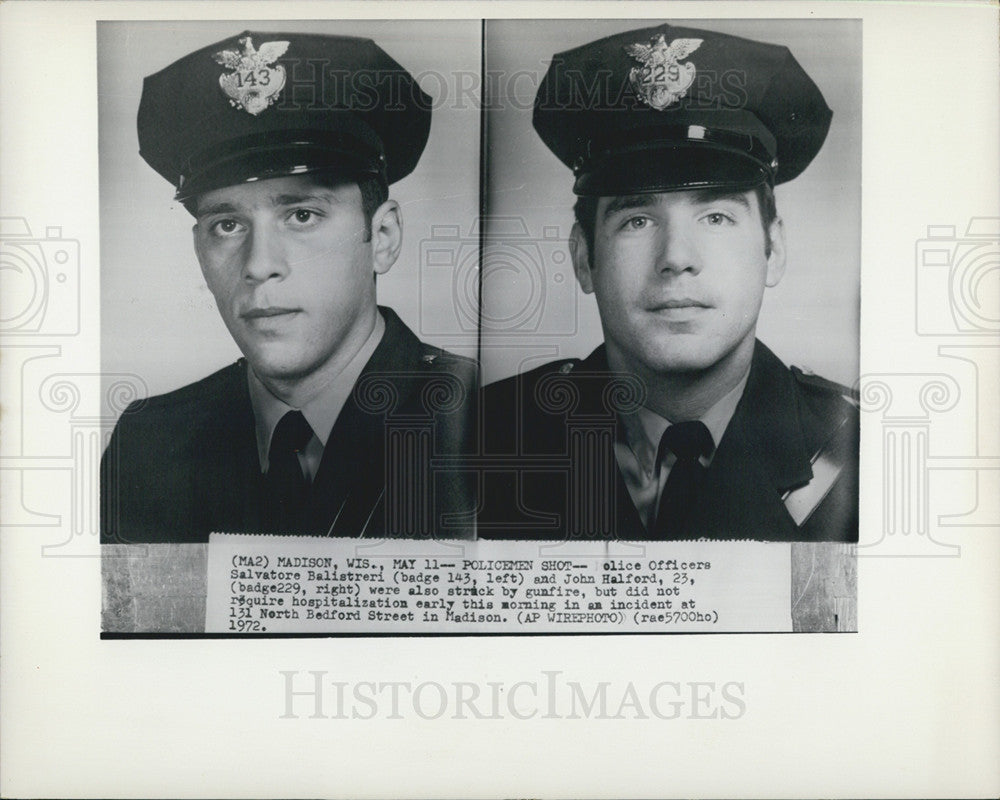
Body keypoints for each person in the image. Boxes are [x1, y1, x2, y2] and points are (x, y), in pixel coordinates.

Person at [479, 22, 859, 542]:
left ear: (774, 251)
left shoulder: (862, 449)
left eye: (717, 217)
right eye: (637, 220)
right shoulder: (483, 440)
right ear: (584, 257)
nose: (676, 259)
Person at [101, 31, 476, 543]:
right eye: (227, 225)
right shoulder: (151, 444)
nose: (259, 265)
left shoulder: (482, 423)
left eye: (302, 214)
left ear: (382, 237)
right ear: (199, 251)